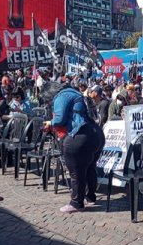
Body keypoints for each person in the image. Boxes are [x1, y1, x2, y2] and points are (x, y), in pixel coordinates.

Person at [41, 81, 105, 213]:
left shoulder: (61, 96)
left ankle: (76, 203)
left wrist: (50, 122)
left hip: (80, 136)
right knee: (90, 168)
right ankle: (90, 196)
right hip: (96, 134)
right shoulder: (75, 92)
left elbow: (59, 120)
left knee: (76, 172)